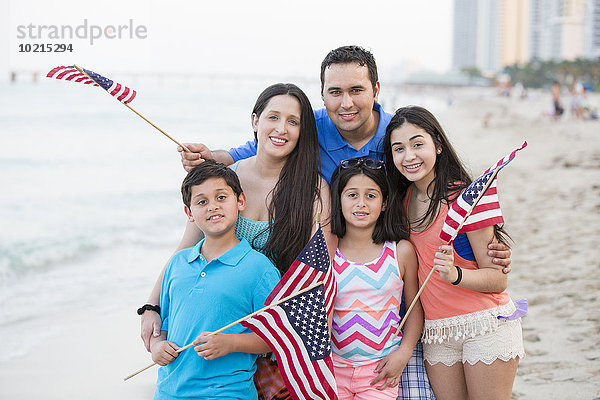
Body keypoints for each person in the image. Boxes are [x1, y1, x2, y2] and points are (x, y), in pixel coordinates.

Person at [173, 45, 512, 400]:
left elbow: (444, 192)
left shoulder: (397, 135)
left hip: (401, 289)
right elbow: (264, 144)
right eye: (335, 92)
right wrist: (213, 157)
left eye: (356, 90)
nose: (345, 103)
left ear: (376, 91)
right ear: (323, 95)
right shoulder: (312, 127)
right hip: (340, 288)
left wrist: (484, 252)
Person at [142, 83, 333, 399]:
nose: (281, 129)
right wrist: (151, 306)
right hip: (217, 331)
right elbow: (185, 251)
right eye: (273, 117)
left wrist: (305, 344)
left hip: (272, 337)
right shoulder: (224, 180)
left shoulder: (312, 191)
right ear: (256, 122)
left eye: (293, 121)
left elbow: (318, 277)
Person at [383, 106, 525, 400]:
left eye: (417, 144)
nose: (409, 156)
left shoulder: (464, 200)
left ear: (437, 143)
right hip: (438, 334)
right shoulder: (402, 201)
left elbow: (498, 279)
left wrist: (455, 275)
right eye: (399, 149)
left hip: (484, 325)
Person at [150, 160, 281, 399]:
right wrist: (157, 347)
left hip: (227, 392)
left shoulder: (259, 269)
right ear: (189, 213)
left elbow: (274, 339)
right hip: (169, 391)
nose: (213, 207)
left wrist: (230, 343)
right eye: (202, 202)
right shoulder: (178, 264)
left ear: (240, 201)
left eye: (221, 198)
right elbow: (165, 325)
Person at [329, 157, 423, 400]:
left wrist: (404, 352)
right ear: (338, 200)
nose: (361, 203)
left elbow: (414, 308)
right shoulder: (329, 252)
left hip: (380, 370)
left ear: (384, 203)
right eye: (351, 195)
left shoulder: (400, 252)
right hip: (333, 369)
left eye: (371, 195)